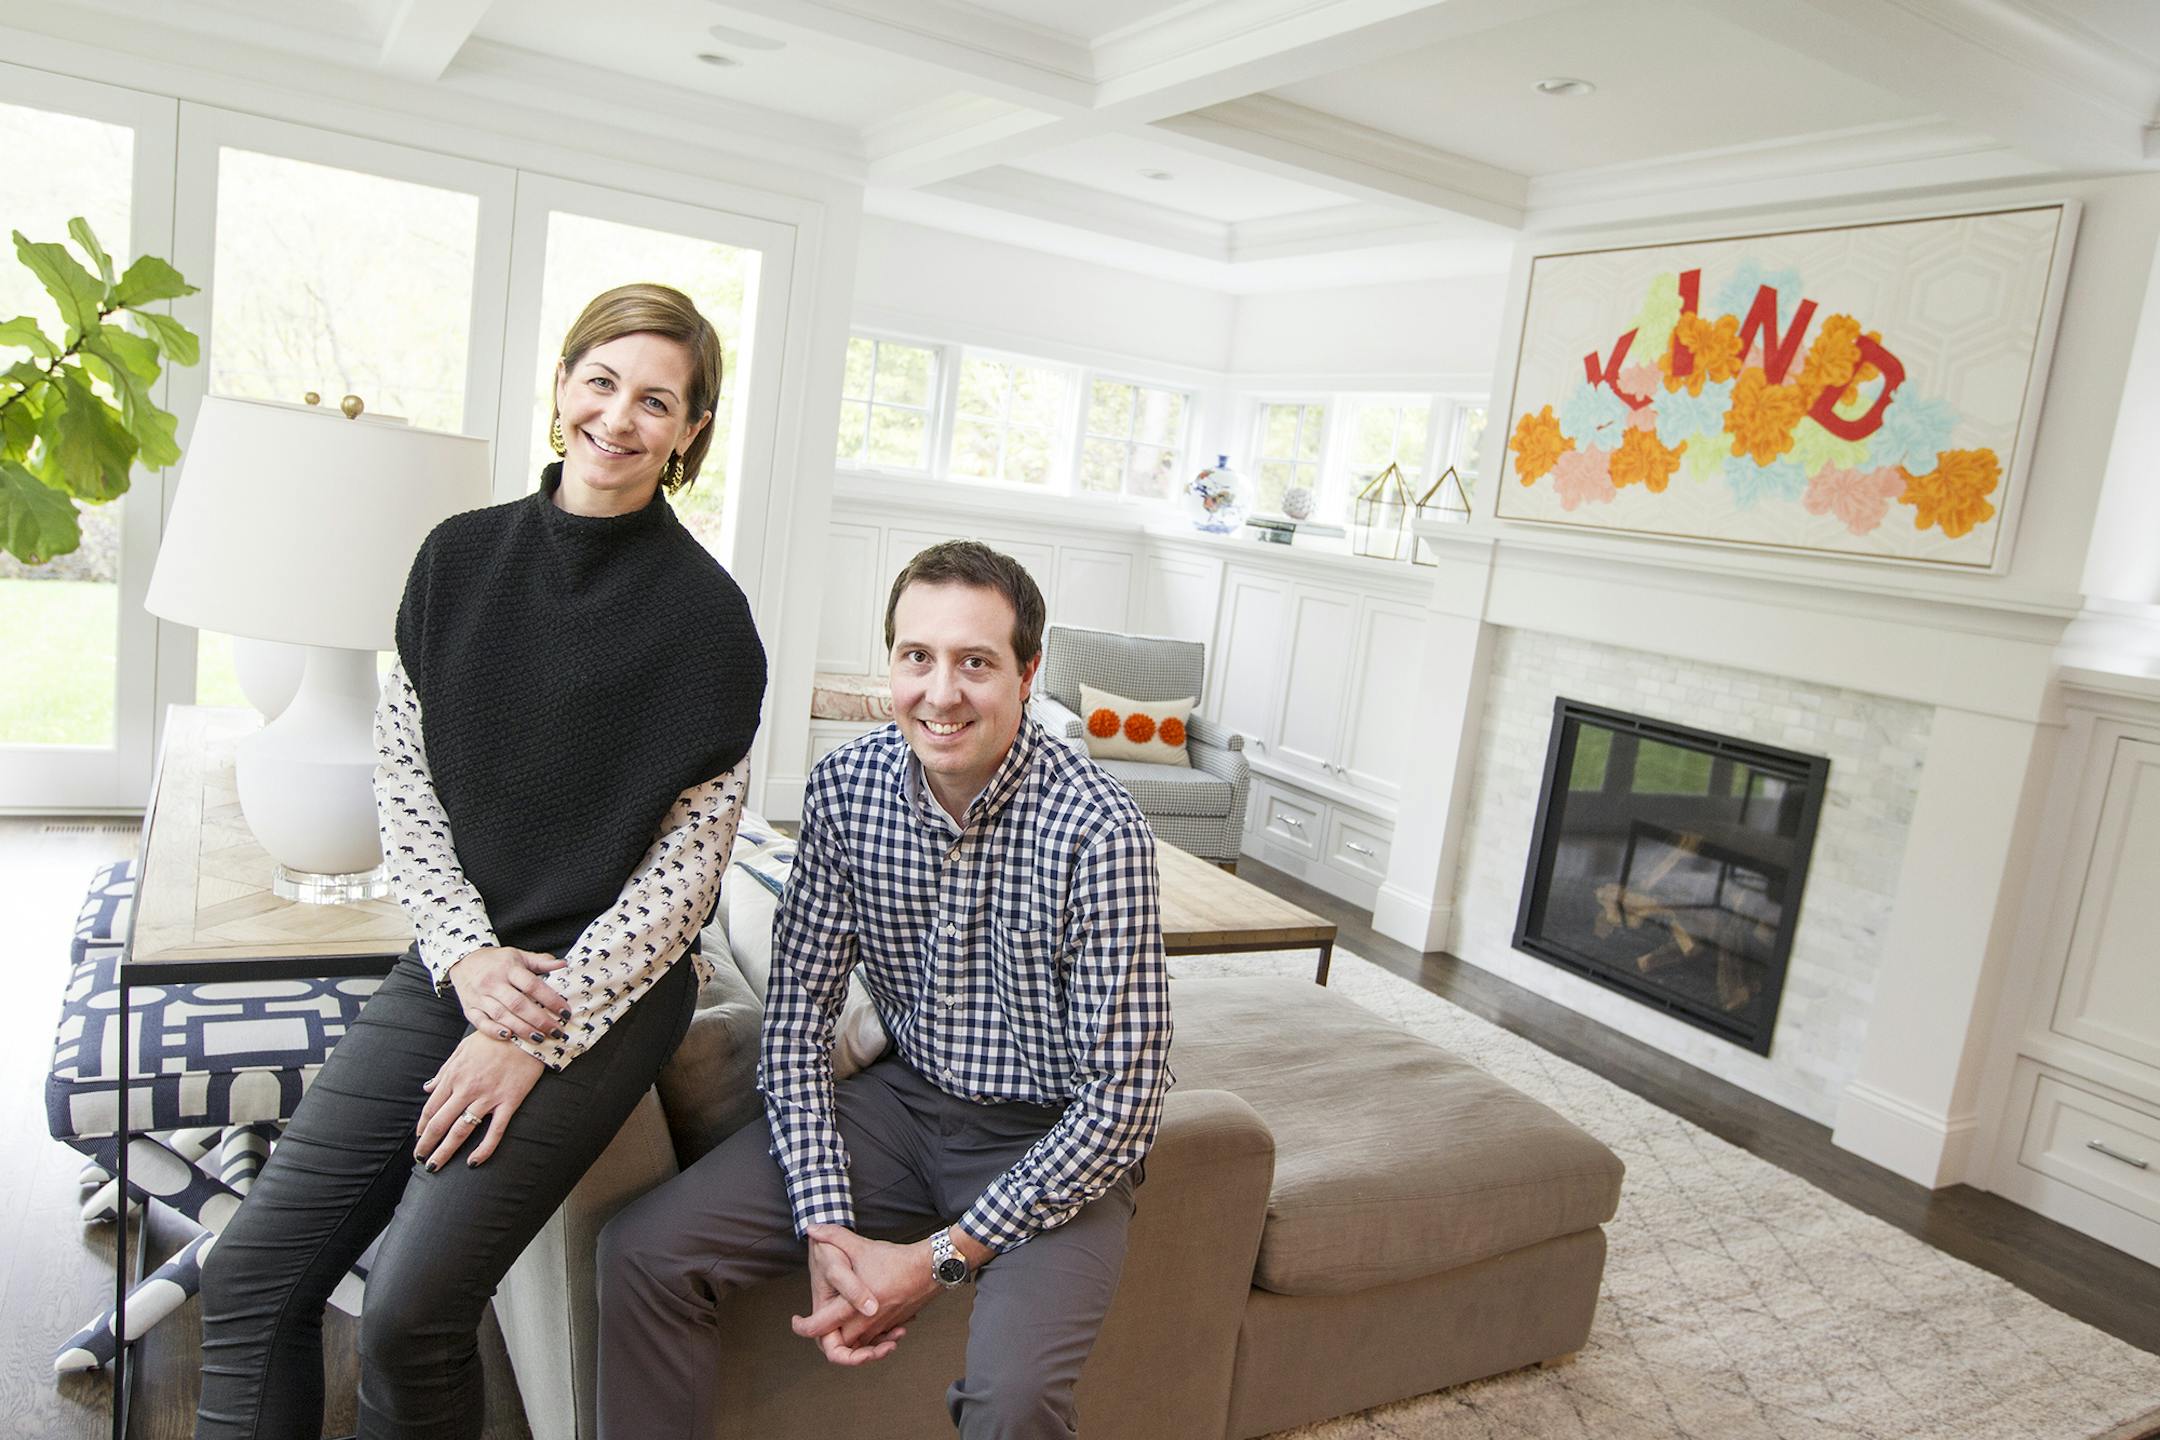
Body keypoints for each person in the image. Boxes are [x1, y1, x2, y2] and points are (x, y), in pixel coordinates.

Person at [194, 283, 767, 1440]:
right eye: (601, 381)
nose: (619, 417)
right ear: (561, 386)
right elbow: (405, 782)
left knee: (409, 1315)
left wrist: (532, 1030)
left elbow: (686, 878)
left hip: (606, 990)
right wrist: (463, 958)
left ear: (691, 431)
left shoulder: (710, 622)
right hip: (462, 961)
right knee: (251, 1276)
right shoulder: (458, 560)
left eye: (657, 401)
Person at [597, 540, 1173, 1439]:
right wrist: (825, 1226)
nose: (940, 693)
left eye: (975, 662)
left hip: (1055, 1134)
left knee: (1014, 1402)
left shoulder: (1101, 831)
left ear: (1027, 673)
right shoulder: (845, 788)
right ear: (891, 665)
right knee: (642, 1254)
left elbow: (1126, 1102)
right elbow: (798, 1023)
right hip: (902, 1109)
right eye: (917, 657)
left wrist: (940, 1259)